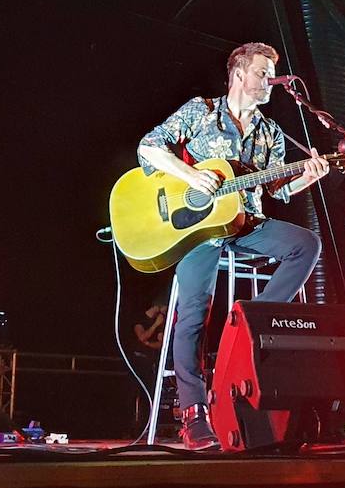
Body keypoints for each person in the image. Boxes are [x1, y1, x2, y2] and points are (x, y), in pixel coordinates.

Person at [137, 41, 328, 450]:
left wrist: (310, 174)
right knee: (191, 314)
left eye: (272, 74)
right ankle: (193, 412)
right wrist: (191, 179)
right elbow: (149, 148)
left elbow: (280, 190)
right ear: (240, 73)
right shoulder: (202, 112)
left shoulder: (271, 133)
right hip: (199, 232)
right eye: (263, 73)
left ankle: (247, 324)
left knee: (305, 244)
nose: (270, 82)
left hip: (247, 227)